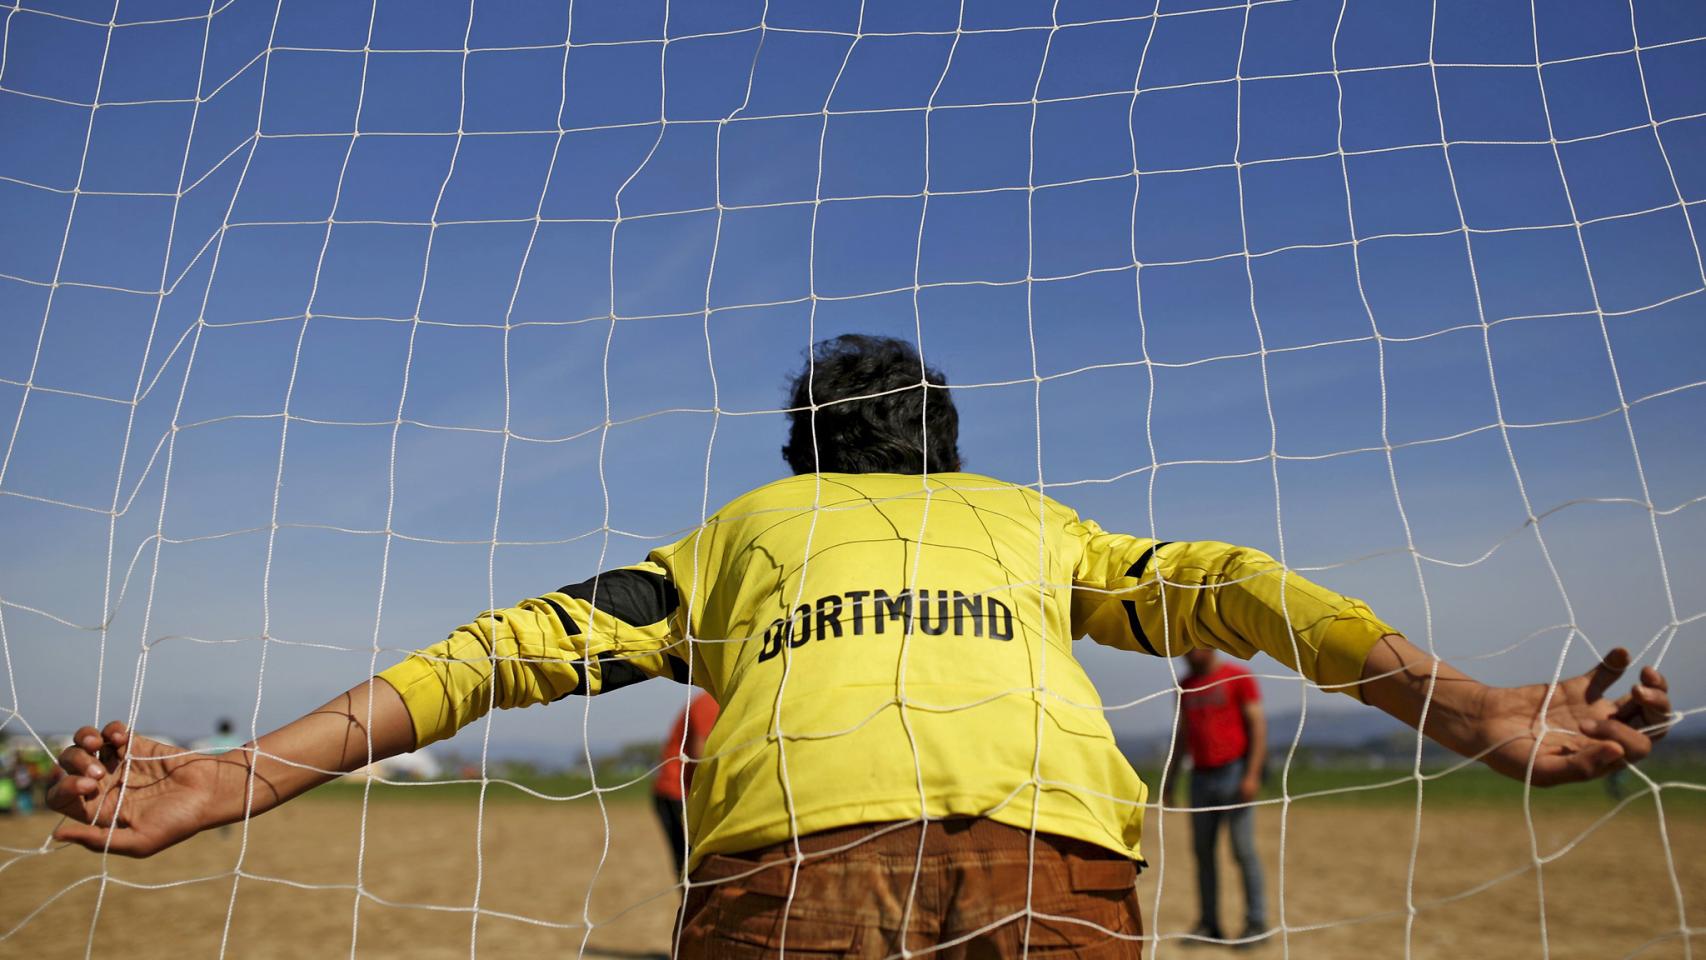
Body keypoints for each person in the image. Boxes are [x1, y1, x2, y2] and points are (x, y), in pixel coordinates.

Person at [47, 334, 1675, 958]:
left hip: (784, 886)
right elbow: (1242, 586)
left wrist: (238, 780)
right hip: (1051, 880)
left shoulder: (738, 540)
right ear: (947, 450)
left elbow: (498, 654)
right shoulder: (1036, 526)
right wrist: (1466, 709)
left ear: (801, 457)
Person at [1162, 647, 1267, 947]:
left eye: (1192, 646)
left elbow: (1257, 727)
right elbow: (1182, 735)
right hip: (1199, 777)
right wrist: (1170, 781)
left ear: (1209, 645)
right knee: (1203, 852)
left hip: (1234, 772)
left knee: (1243, 850)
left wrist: (1252, 774)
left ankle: (1256, 923)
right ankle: (1209, 924)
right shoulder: (1185, 686)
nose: (1187, 653)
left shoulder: (1238, 677)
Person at [653, 691, 721, 877]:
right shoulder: (710, 701)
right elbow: (699, 756)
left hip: (690, 793)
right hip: (678, 792)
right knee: (692, 867)